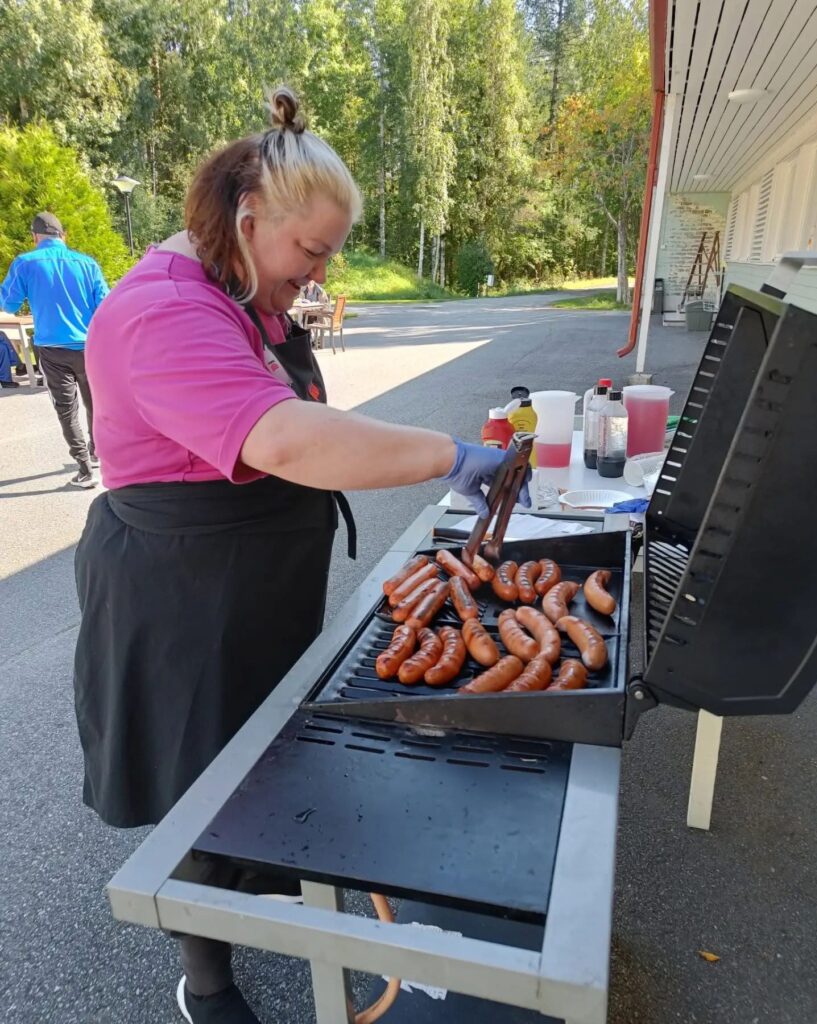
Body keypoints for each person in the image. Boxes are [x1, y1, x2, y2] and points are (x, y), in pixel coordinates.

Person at [73, 86, 528, 1024]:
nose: (313, 278)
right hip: (180, 590)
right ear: (248, 220)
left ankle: (267, 883)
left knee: (267, 755)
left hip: (258, 575)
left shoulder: (242, 291)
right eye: (308, 253)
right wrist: (451, 457)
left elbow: (316, 417)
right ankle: (206, 983)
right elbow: (285, 440)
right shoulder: (163, 311)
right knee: (198, 781)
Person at [0, 212, 108, 487]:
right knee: (95, 402)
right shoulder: (87, 264)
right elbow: (105, 306)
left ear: (35, 237)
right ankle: (98, 452)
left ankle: (84, 469)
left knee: (65, 408)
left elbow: (8, 304)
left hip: (51, 348)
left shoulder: (25, 263)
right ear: (64, 236)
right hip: (90, 347)